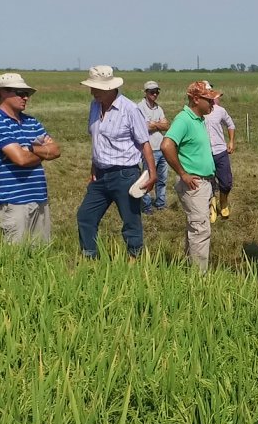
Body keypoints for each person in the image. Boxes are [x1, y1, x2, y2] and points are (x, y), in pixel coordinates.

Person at [75, 66, 156, 260]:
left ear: (111, 88)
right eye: (92, 88)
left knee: (131, 220)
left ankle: (133, 259)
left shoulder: (129, 109)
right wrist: (93, 168)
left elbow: (144, 143)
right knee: (85, 216)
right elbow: (97, 140)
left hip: (125, 174)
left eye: (97, 89)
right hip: (100, 175)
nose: (93, 92)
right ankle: (90, 259)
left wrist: (152, 173)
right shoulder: (94, 106)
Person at [0, 73, 62, 244]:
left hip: (39, 195)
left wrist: (31, 148)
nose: (26, 97)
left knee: (42, 254)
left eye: (28, 94)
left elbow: (55, 151)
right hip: (13, 199)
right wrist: (42, 152)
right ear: (3, 92)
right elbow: (21, 159)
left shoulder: (31, 121)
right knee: (15, 256)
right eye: (20, 93)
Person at [161, 81, 221, 272]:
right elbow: (166, 145)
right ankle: (199, 276)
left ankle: (190, 269)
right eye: (208, 100)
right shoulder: (184, 120)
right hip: (194, 183)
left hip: (203, 182)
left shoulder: (199, 119)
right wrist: (183, 173)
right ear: (196, 99)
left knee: (196, 228)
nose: (213, 104)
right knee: (200, 229)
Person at [204, 85, 236, 221]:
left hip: (220, 151)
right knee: (208, 181)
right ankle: (211, 206)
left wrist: (231, 141)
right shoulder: (197, 113)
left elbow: (230, 124)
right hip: (204, 152)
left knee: (226, 182)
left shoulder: (220, 111)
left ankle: (223, 202)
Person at [137, 81, 170, 213]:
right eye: (152, 92)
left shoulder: (158, 108)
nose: (155, 94)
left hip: (161, 148)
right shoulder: (139, 107)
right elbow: (144, 127)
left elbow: (166, 126)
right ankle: (146, 206)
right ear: (145, 92)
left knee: (162, 179)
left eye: (157, 91)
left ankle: (160, 203)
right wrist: (158, 124)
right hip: (148, 149)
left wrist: (153, 124)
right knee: (148, 179)